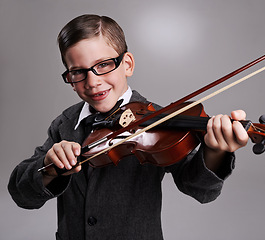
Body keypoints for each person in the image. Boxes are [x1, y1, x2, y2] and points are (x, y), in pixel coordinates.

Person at [8, 14, 248, 240]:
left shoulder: (161, 121)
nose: (93, 81)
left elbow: (200, 189)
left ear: (127, 64)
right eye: (78, 72)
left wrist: (216, 152)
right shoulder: (65, 123)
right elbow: (21, 193)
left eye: (103, 65)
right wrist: (49, 169)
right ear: (70, 79)